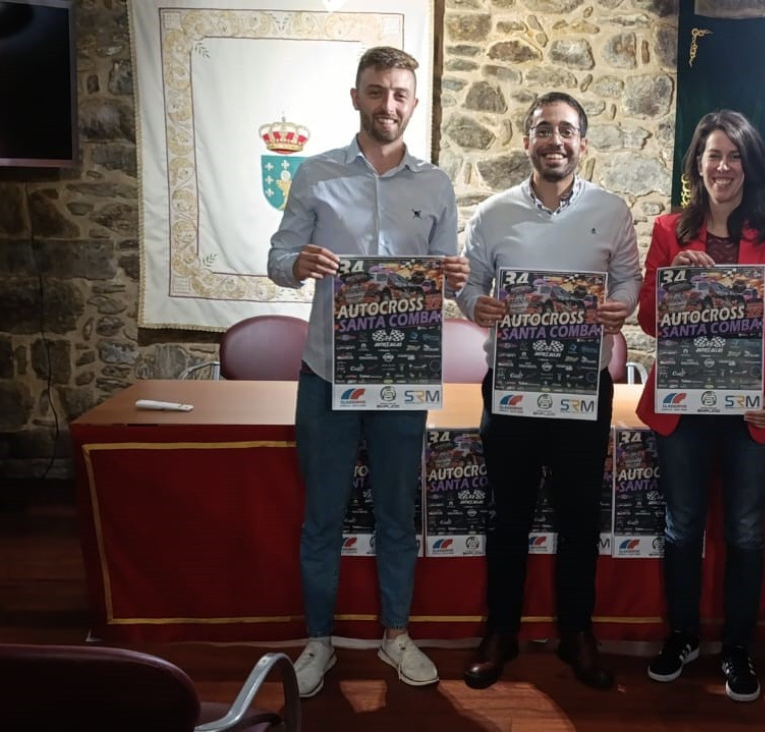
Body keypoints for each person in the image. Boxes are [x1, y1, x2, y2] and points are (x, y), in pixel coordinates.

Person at [266, 46, 470, 697]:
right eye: (377, 91)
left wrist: (455, 278)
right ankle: (318, 641)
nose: (389, 104)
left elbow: (445, 279)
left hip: (402, 375)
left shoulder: (436, 184)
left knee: (396, 515)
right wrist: (297, 264)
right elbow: (277, 256)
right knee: (321, 516)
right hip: (327, 372)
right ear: (356, 97)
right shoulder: (316, 173)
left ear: (414, 102)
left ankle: (396, 635)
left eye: (400, 94)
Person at [455, 91, 642, 691]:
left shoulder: (612, 210)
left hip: (584, 387)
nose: (553, 141)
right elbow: (469, 284)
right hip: (511, 386)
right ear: (527, 140)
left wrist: (621, 307)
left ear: (582, 142)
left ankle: (577, 633)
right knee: (506, 514)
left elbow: (629, 279)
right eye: (543, 129)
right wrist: (475, 305)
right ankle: (500, 632)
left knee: (580, 515)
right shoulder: (493, 214)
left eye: (565, 131)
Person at [636, 109, 765, 702]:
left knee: (745, 532)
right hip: (683, 406)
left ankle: (737, 646)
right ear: (697, 164)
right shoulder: (669, 230)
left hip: (750, 413)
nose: (723, 167)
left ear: (750, 166)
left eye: (734, 156)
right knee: (681, 527)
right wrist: (671, 279)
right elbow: (650, 321)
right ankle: (682, 635)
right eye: (714, 155)